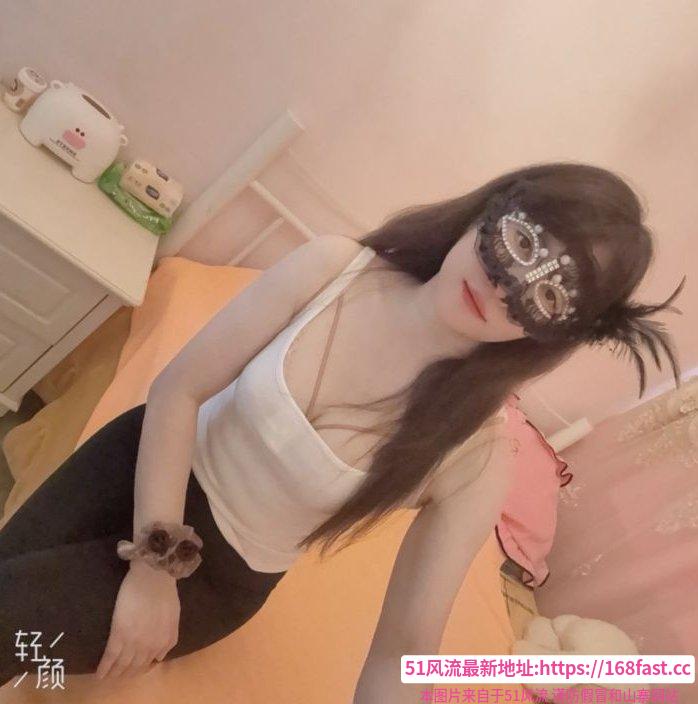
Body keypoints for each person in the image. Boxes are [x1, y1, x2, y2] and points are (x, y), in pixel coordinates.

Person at [0, 163, 684, 701]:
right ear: (492, 209)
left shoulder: (475, 459)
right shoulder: (332, 269)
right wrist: (151, 573)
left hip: (215, 578)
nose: (506, 286)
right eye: (522, 242)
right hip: (146, 459)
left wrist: (167, 589)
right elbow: (177, 390)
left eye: (548, 296)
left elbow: (402, 653)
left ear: (555, 333)